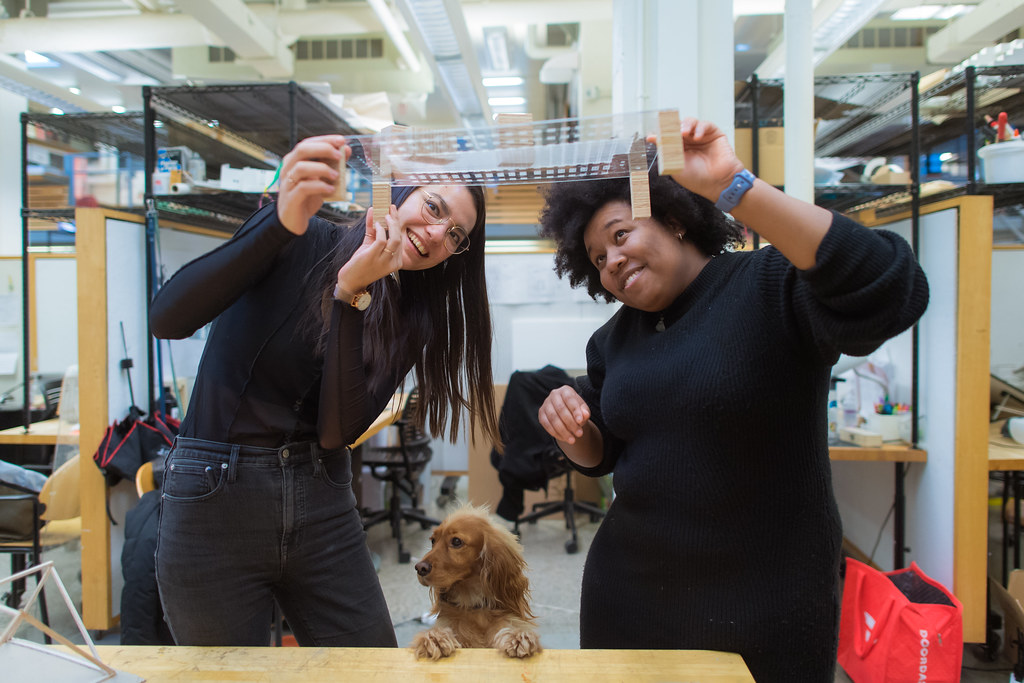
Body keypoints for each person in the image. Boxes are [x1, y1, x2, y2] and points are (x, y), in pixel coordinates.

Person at [536, 118, 929, 682]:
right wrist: (572, 433)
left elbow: (893, 286)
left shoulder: (769, 283)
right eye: (597, 258)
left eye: (620, 235)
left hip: (761, 609)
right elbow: (603, 454)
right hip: (627, 598)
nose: (612, 261)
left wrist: (734, 185)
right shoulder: (613, 339)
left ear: (673, 221)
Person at [149, 134, 501, 647]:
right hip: (215, 495)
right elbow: (168, 318)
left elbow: (338, 432)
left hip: (322, 499)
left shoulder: (410, 315)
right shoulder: (301, 236)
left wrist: (350, 296)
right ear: (396, 191)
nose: (437, 233)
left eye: (456, 234)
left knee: (371, 669)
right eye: (433, 206)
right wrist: (278, 222)